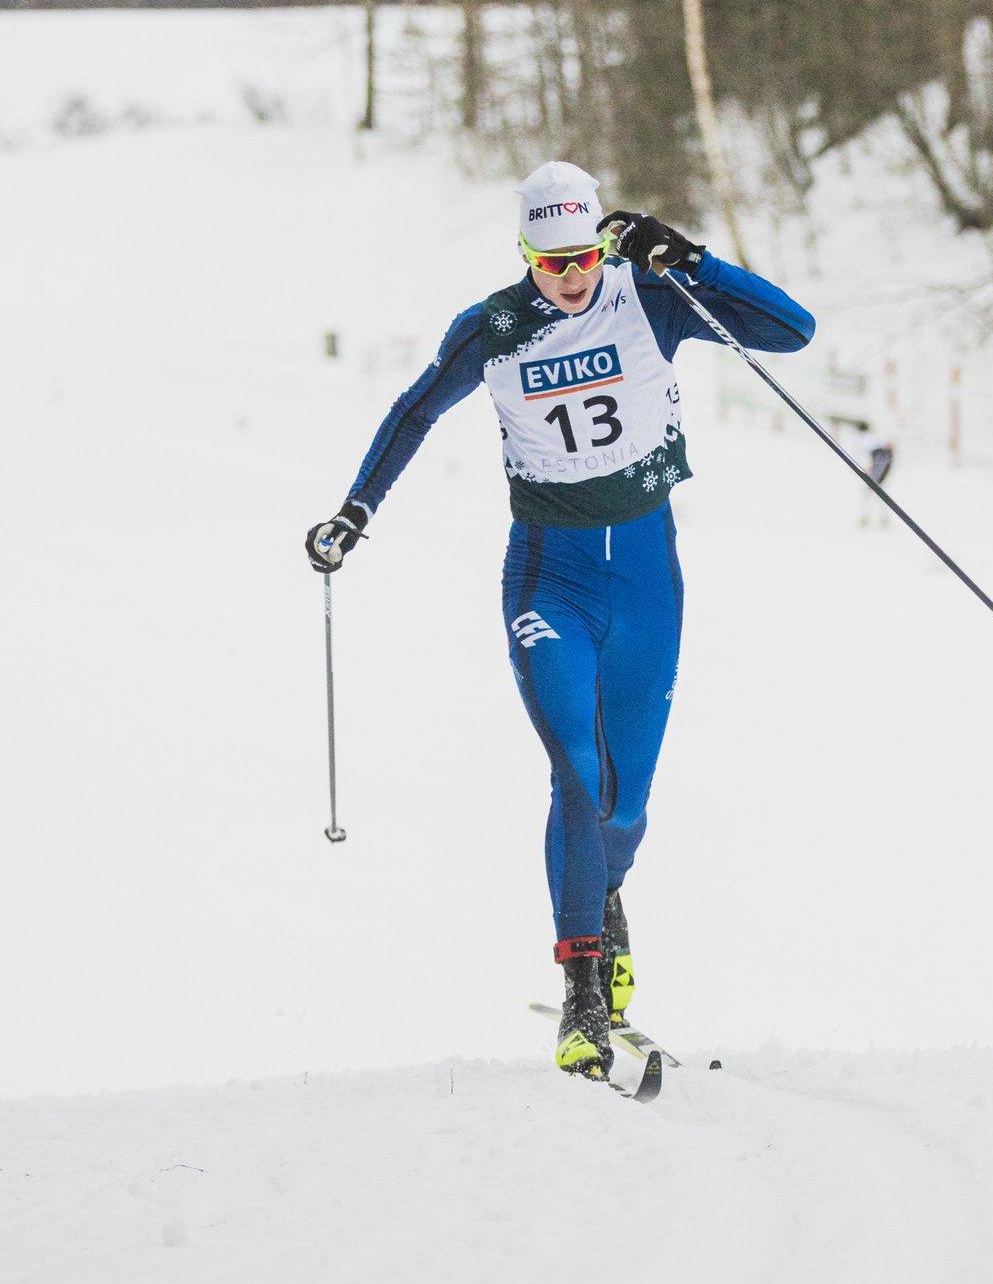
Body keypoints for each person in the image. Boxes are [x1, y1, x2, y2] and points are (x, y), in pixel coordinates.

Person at [305, 161, 814, 1082]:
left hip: (650, 579)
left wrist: (695, 262)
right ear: (525, 255)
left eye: (583, 256)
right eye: (551, 262)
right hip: (553, 580)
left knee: (627, 803)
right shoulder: (493, 329)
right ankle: (583, 992)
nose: (572, 277)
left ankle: (604, 897)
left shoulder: (648, 294)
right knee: (576, 776)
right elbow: (412, 412)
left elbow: (792, 331)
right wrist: (355, 510)